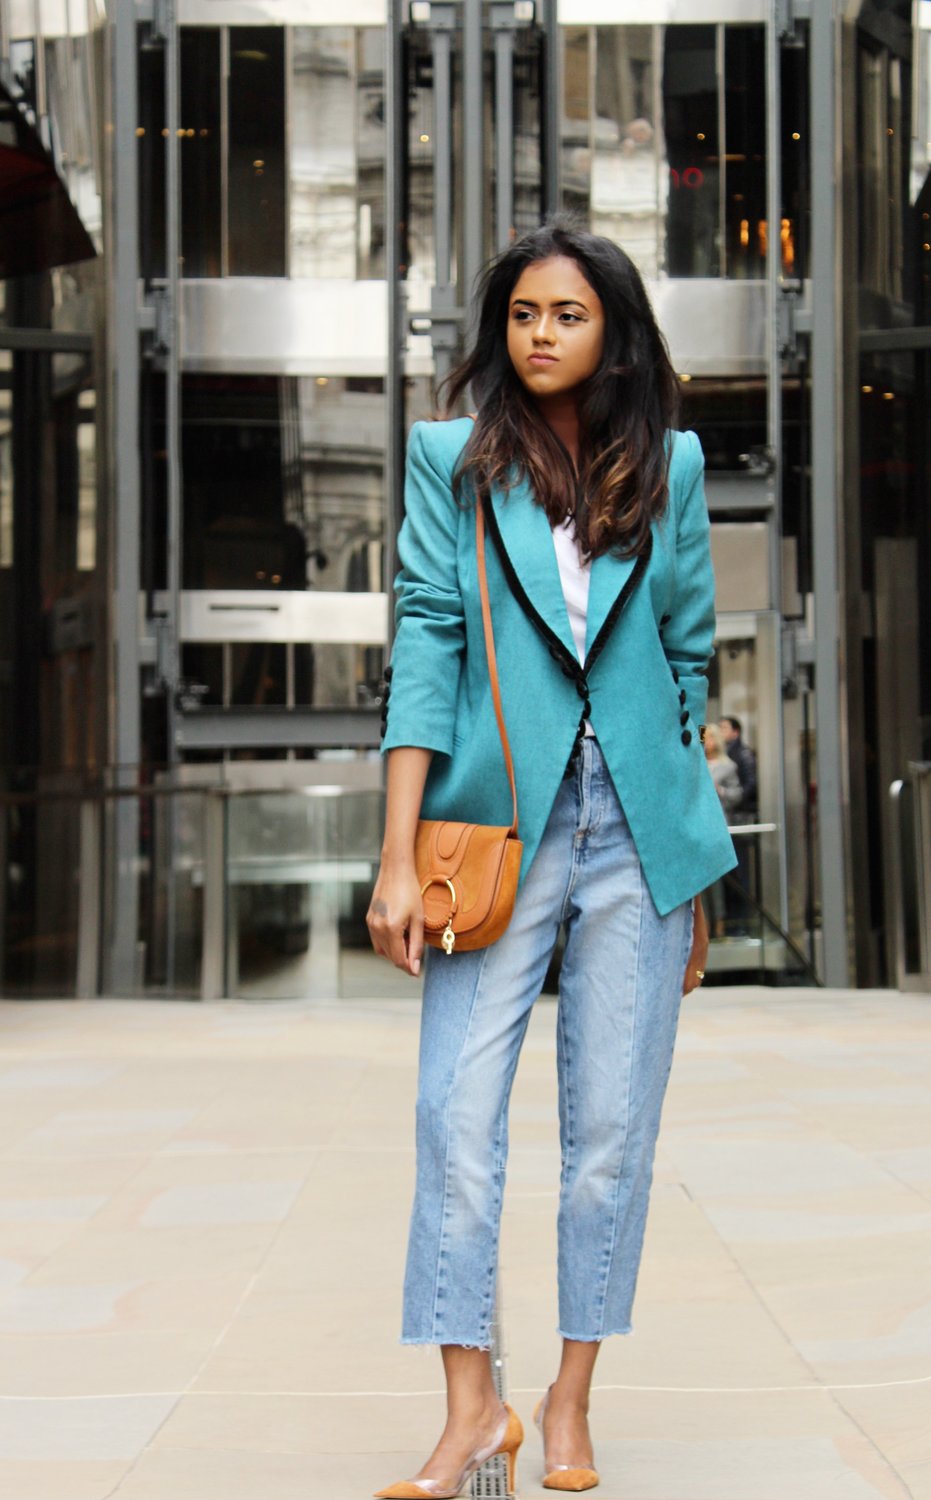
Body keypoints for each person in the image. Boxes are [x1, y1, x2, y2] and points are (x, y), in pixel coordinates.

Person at [367, 217, 736, 1499]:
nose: (539, 334)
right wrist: (395, 852)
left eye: (567, 315)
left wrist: (694, 875)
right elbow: (424, 643)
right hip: (496, 831)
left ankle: (569, 1400)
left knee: (610, 1131)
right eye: (522, 314)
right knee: (451, 1117)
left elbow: (687, 659)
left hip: (639, 828)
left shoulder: (670, 465)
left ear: (613, 332)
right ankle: (474, 1409)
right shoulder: (450, 462)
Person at [702, 722, 742, 939]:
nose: (706, 742)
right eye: (704, 737)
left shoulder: (728, 766)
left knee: (716, 880)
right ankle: (704, 925)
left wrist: (722, 791)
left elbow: (738, 794)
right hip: (699, 826)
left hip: (718, 825)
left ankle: (719, 922)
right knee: (701, 882)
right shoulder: (697, 763)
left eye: (710, 737)